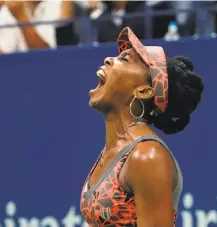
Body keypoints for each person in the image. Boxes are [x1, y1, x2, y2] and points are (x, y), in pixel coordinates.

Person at [80, 27, 204, 226]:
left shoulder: (147, 156)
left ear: (144, 91)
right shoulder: (112, 151)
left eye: (125, 59)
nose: (108, 60)